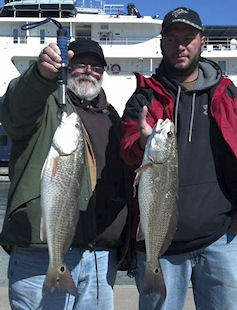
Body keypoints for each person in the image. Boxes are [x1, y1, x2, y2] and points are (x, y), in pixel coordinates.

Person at [120, 7, 237, 310]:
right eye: (172, 39)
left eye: (188, 38)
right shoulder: (144, 97)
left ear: (202, 41)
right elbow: (126, 147)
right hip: (160, 247)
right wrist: (143, 143)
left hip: (220, 240)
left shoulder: (226, 93)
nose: (180, 46)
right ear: (161, 43)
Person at [0, 38, 127, 310]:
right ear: (68, 68)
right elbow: (15, 110)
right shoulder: (45, 104)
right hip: (41, 253)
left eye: (96, 67)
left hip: (99, 256)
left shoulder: (111, 117)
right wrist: (39, 76)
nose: (89, 71)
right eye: (81, 64)